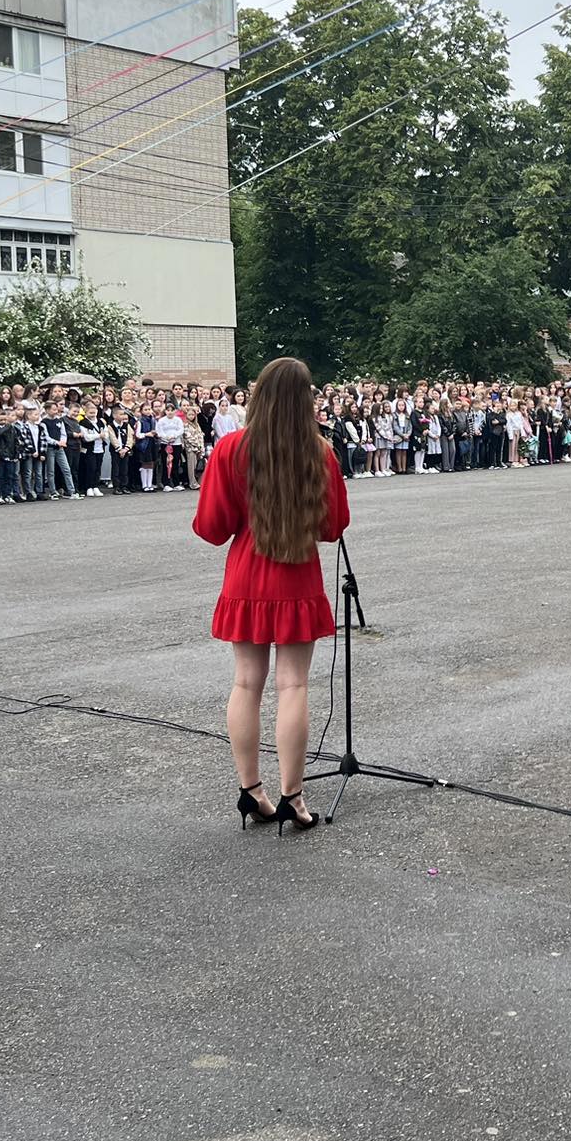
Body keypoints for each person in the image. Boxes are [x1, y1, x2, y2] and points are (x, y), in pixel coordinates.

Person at [192, 356, 350, 832]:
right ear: (306, 401)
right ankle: (292, 798)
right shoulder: (319, 453)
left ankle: (251, 790)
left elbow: (211, 528)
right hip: (296, 577)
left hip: (245, 578)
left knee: (245, 684)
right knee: (294, 686)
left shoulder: (230, 449)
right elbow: (333, 527)